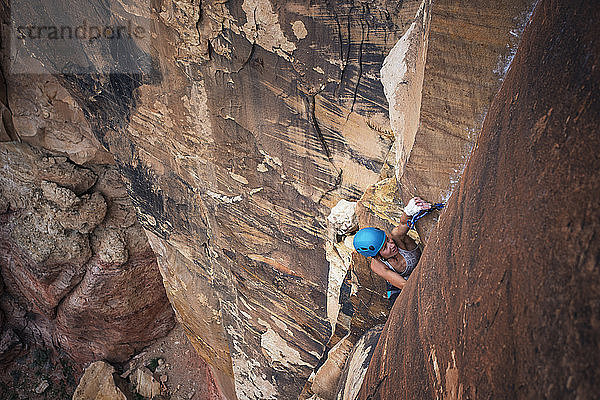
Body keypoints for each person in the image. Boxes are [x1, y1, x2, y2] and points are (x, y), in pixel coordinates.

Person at [353, 197, 432, 305]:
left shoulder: (396, 237)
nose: (392, 244)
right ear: (378, 256)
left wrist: (408, 210)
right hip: (402, 280)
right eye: (385, 247)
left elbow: (403, 224)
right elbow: (405, 285)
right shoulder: (377, 265)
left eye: (387, 240)